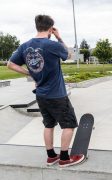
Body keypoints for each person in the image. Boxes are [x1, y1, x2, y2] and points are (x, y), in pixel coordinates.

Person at [7, 15, 84, 167]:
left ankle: (51, 156)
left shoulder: (25, 46)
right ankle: (64, 158)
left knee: (49, 125)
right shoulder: (52, 44)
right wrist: (59, 37)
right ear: (50, 29)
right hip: (57, 95)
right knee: (69, 125)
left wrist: (30, 73)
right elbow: (68, 55)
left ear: (37, 27)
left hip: (41, 95)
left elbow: (10, 64)